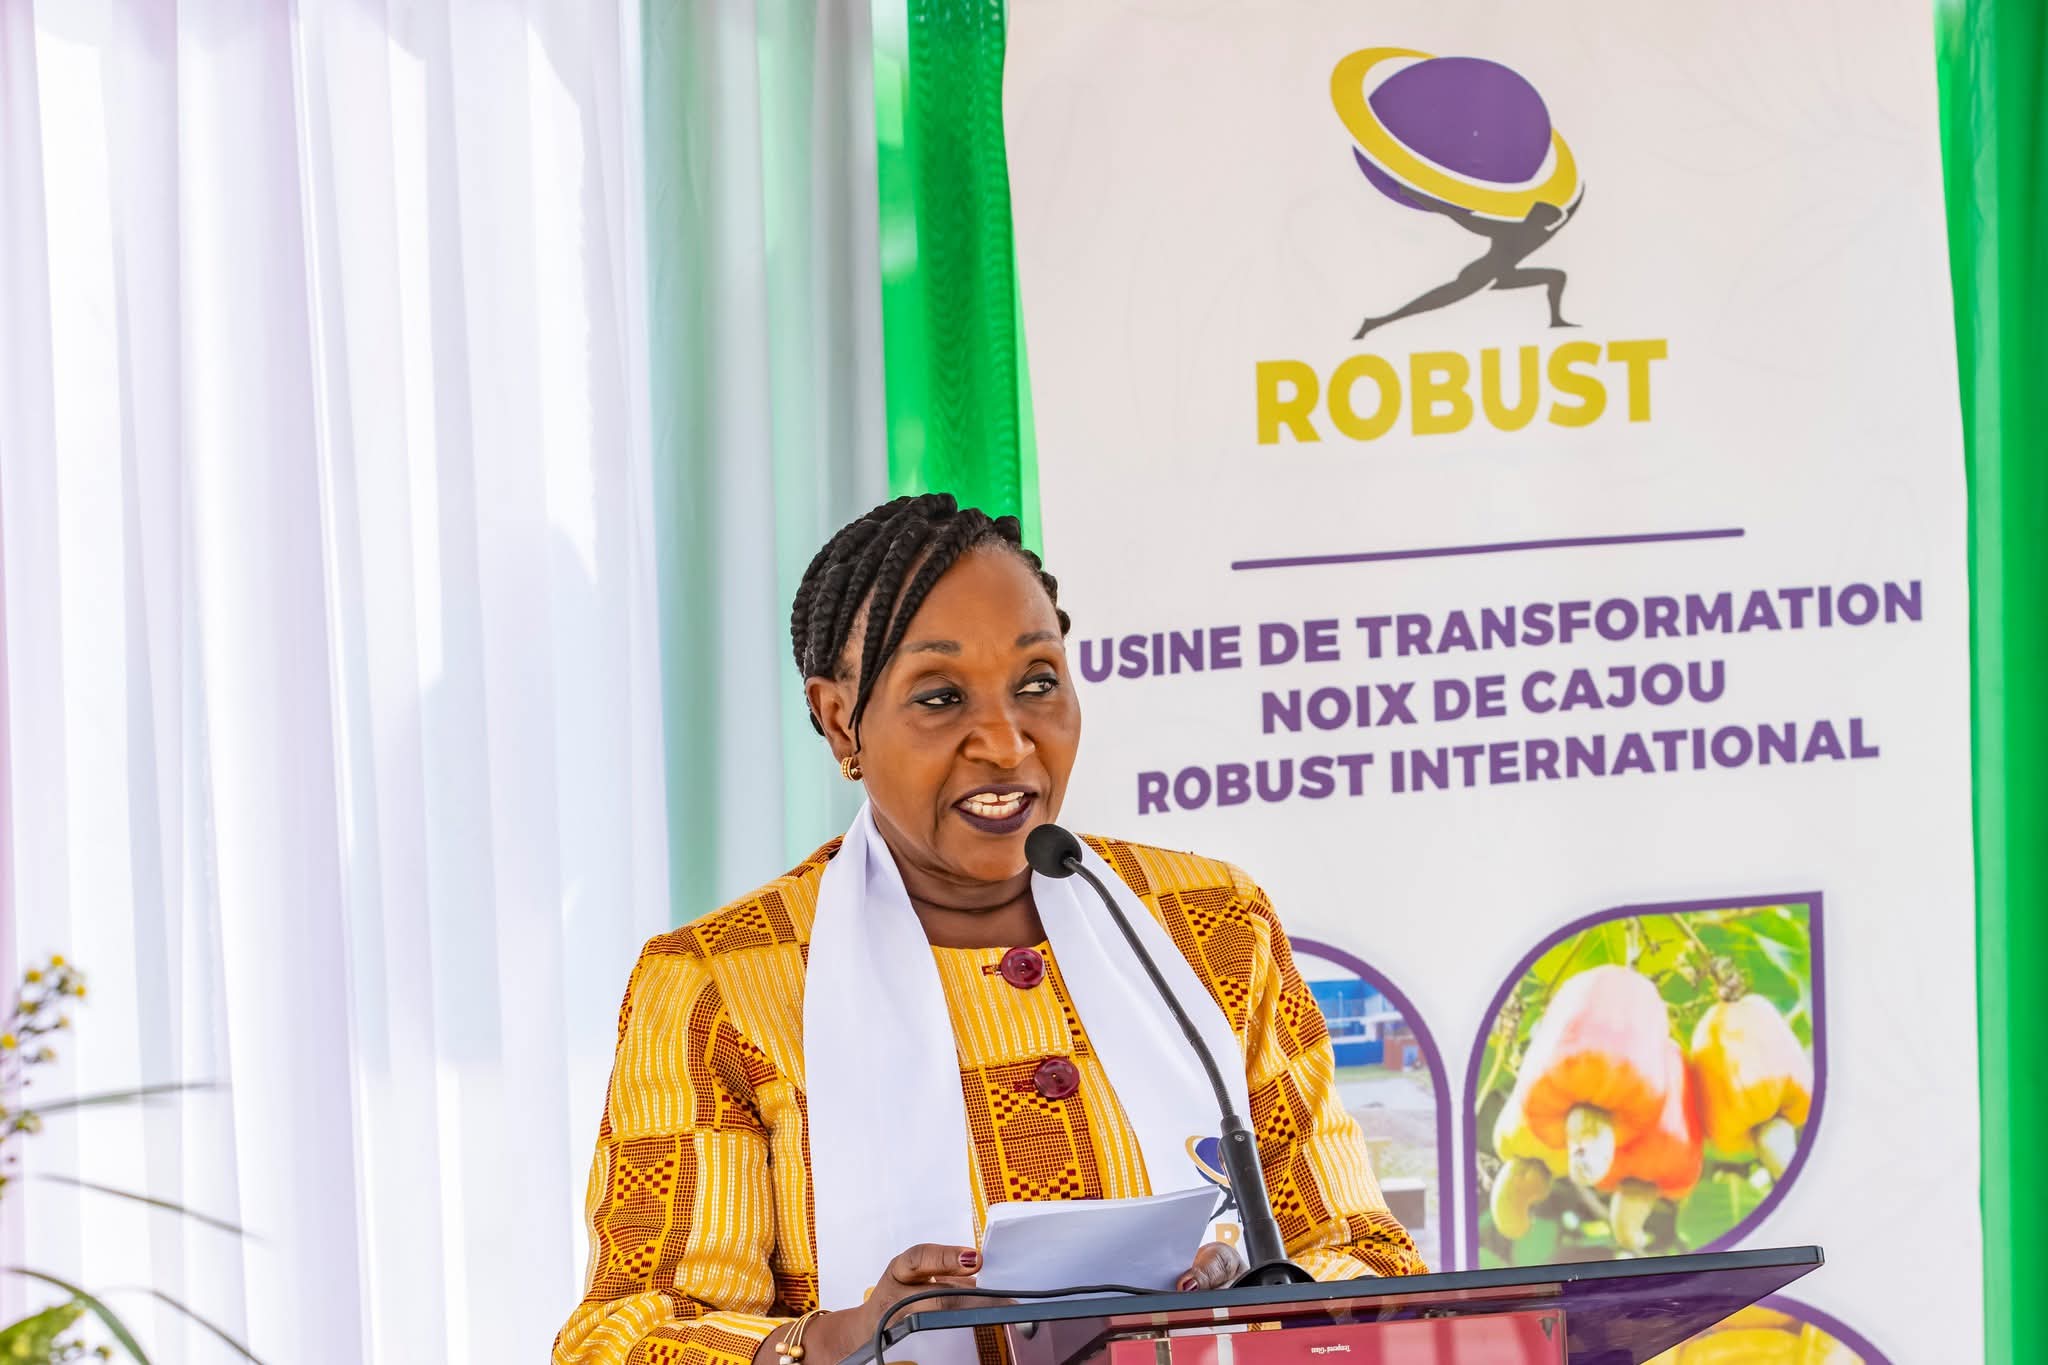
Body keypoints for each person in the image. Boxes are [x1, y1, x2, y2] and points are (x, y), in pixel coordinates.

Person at [554, 494, 1424, 1365]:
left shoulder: (1211, 924)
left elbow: (1362, 1253)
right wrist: (846, 1338)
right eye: (940, 697)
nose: (1006, 743)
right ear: (839, 718)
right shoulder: (720, 983)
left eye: (1038, 682)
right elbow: (622, 1338)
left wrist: (1262, 1296)